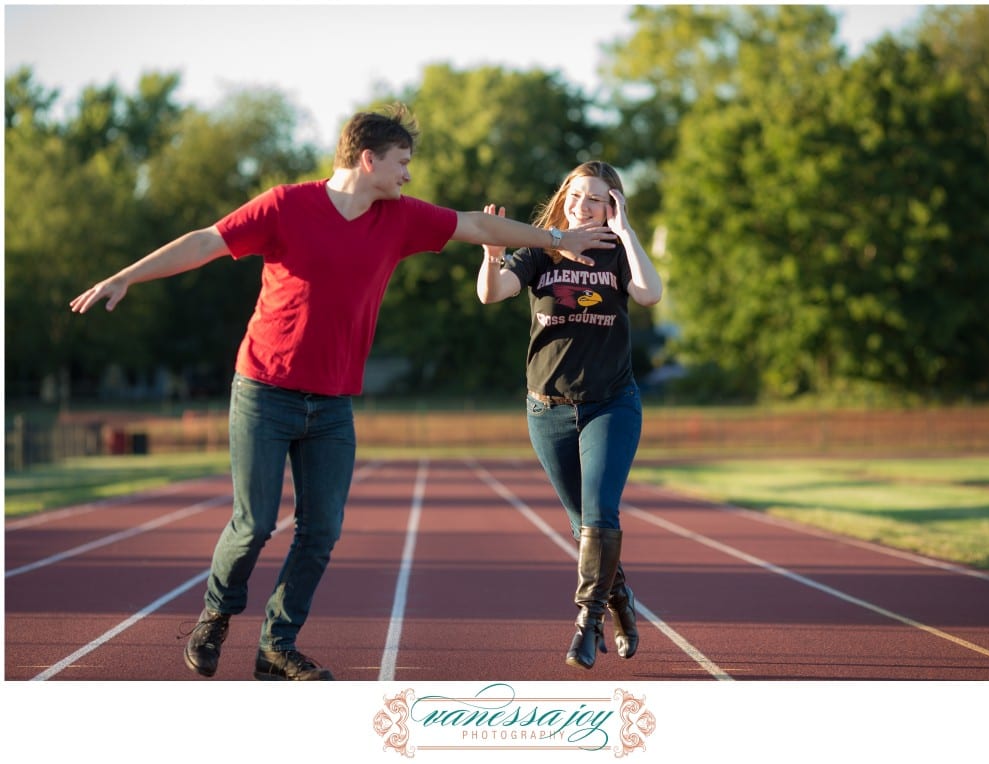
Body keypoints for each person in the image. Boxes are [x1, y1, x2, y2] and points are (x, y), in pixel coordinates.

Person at [70, 104, 615, 681]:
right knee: (253, 524)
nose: (408, 175)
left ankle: (276, 645)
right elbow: (207, 241)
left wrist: (556, 238)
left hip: (331, 404)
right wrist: (126, 274)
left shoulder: (400, 218)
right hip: (264, 389)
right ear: (368, 158)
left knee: (322, 529)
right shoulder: (286, 205)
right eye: (402, 163)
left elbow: (478, 226)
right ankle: (216, 613)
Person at [477, 161, 662, 670]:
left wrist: (625, 234)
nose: (584, 205)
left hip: (611, 404)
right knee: (585, 526)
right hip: (548, 411)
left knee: (601, 514)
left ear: (613, 205)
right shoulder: (539, 250)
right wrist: (493, 258)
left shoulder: (618, 255)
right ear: (564, 197)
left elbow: (649, 293)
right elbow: (492, 293)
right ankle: (621, 599)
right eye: (577, 195)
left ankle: (588, 621)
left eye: (597, 198)